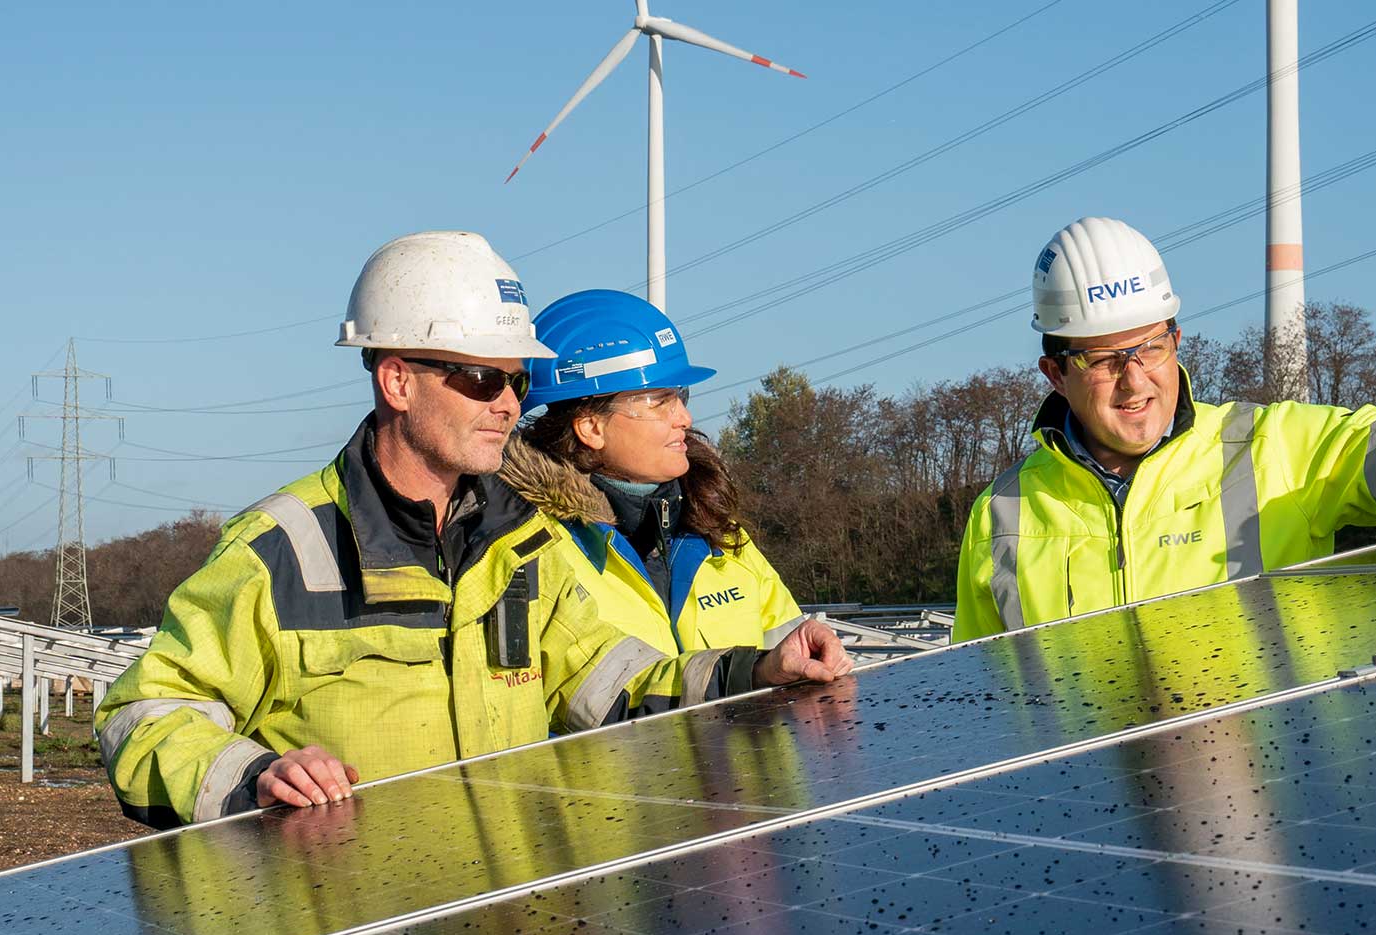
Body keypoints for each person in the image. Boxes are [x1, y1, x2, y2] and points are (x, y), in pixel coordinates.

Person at [95, 231, 852, 828]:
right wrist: (252, 776)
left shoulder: (521, 542)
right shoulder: (282, 550)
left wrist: (756, 671)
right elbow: (145, 714)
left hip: (511, 922)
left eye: (517, 380)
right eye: (484, 377)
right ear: (397, 379)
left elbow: (616, 684)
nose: (508, 403)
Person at [953, 216, 1376, 642]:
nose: (1134, 379)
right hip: (1083, 827)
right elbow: (973, 703)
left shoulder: (1268, 447)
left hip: (1268, 810)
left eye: (1150, 347)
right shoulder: (1002, 516)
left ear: (1177, 339)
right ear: (1054, 373)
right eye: (1102, 359)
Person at [498, 289, 838, 670]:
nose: (685, 419)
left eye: (681, 396)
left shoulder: (718, 534)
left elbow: (793, 659)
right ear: (591, 427)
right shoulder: (536, 550)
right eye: (659, 400)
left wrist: (813, 653)